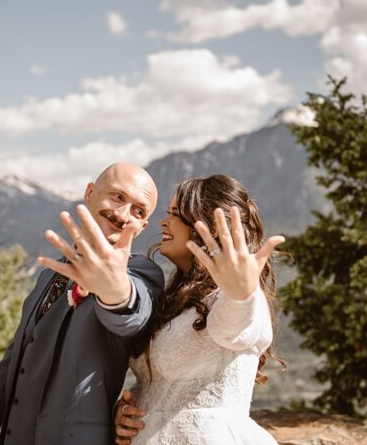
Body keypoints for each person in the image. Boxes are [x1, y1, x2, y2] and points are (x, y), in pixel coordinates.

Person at [0, 163, 165, 445]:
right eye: (117, 197)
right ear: (89, 193)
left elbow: (131, 314)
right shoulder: (47, 276)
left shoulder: (140, 274)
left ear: (143, 226)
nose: (123, 215)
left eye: (138, 211)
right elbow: (11, 367)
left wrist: (116, 293)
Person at [113, 175, 285, 445]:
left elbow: (235, 326)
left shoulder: (232, 296)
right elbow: (166, 384)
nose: (163, 222)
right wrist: (126, 408)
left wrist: (240, 295)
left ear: (211, 227)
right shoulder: (176, 302)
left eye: (176, 214)